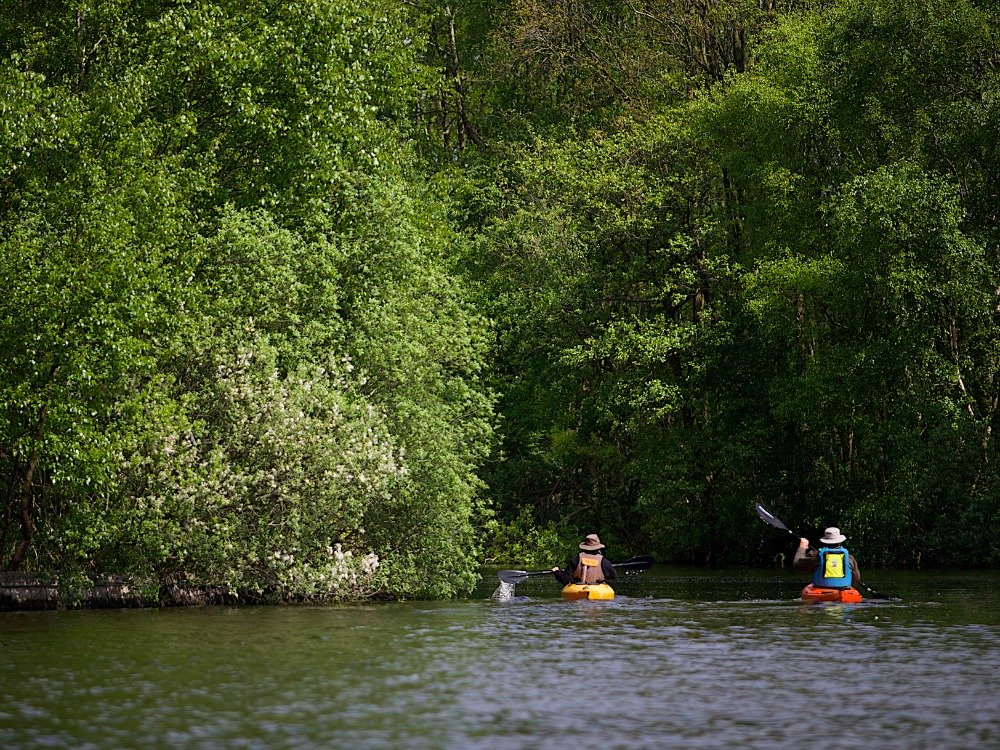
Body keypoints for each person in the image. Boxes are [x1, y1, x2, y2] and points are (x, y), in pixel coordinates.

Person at [793, 527, 861, 589]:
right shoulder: (850, 558)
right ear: (840, 541)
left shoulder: (817, 556)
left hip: (821, 591)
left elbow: (796, 564)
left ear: (824, 541)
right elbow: (856, 579)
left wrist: (802, 547)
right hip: (844, 591)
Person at [551, 533, 617, 585]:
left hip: (578, 589)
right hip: (597, 590)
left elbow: (565, 579)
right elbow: (613, 575)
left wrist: (557, 572)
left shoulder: (575, 560)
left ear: (584, 547)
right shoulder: (604, 561)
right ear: (598, 548)